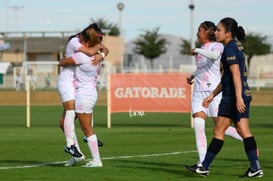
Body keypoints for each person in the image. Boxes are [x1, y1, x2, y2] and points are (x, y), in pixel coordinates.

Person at [185, 17, 263, 178]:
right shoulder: (236, 46)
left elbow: (235, 74)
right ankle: (255, 168)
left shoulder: (229, 49)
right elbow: (227, 77)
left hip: (233, 97)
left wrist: (238, 98)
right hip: (238, 94)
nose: (216, 32)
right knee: (243, 131)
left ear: (228, 33)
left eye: (219, 30)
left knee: (219, 130)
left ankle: (204, 166)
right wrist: (213, 95)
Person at [186, 21, 242, 168]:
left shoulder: (216, 45)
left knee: (220, 127)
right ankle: (203, 163)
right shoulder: (202, 48)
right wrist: (192, 75)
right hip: (198, 92)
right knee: (198, 125)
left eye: (199, 30)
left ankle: (247, 140)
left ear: (207, 32)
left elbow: (214, 56)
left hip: (213, 92)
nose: (197, 33)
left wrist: (197, 50)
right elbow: (202, 67)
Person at [57, 23, 108, 166]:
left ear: (86, 42)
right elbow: (102, 49)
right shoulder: (98, 55)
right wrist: (101, 51)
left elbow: (62, 62)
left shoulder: (81, 56)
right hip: (88, 92)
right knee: (64, 123)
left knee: (86, 128)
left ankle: (94, 159)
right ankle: (77, 155)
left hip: (83, 93)